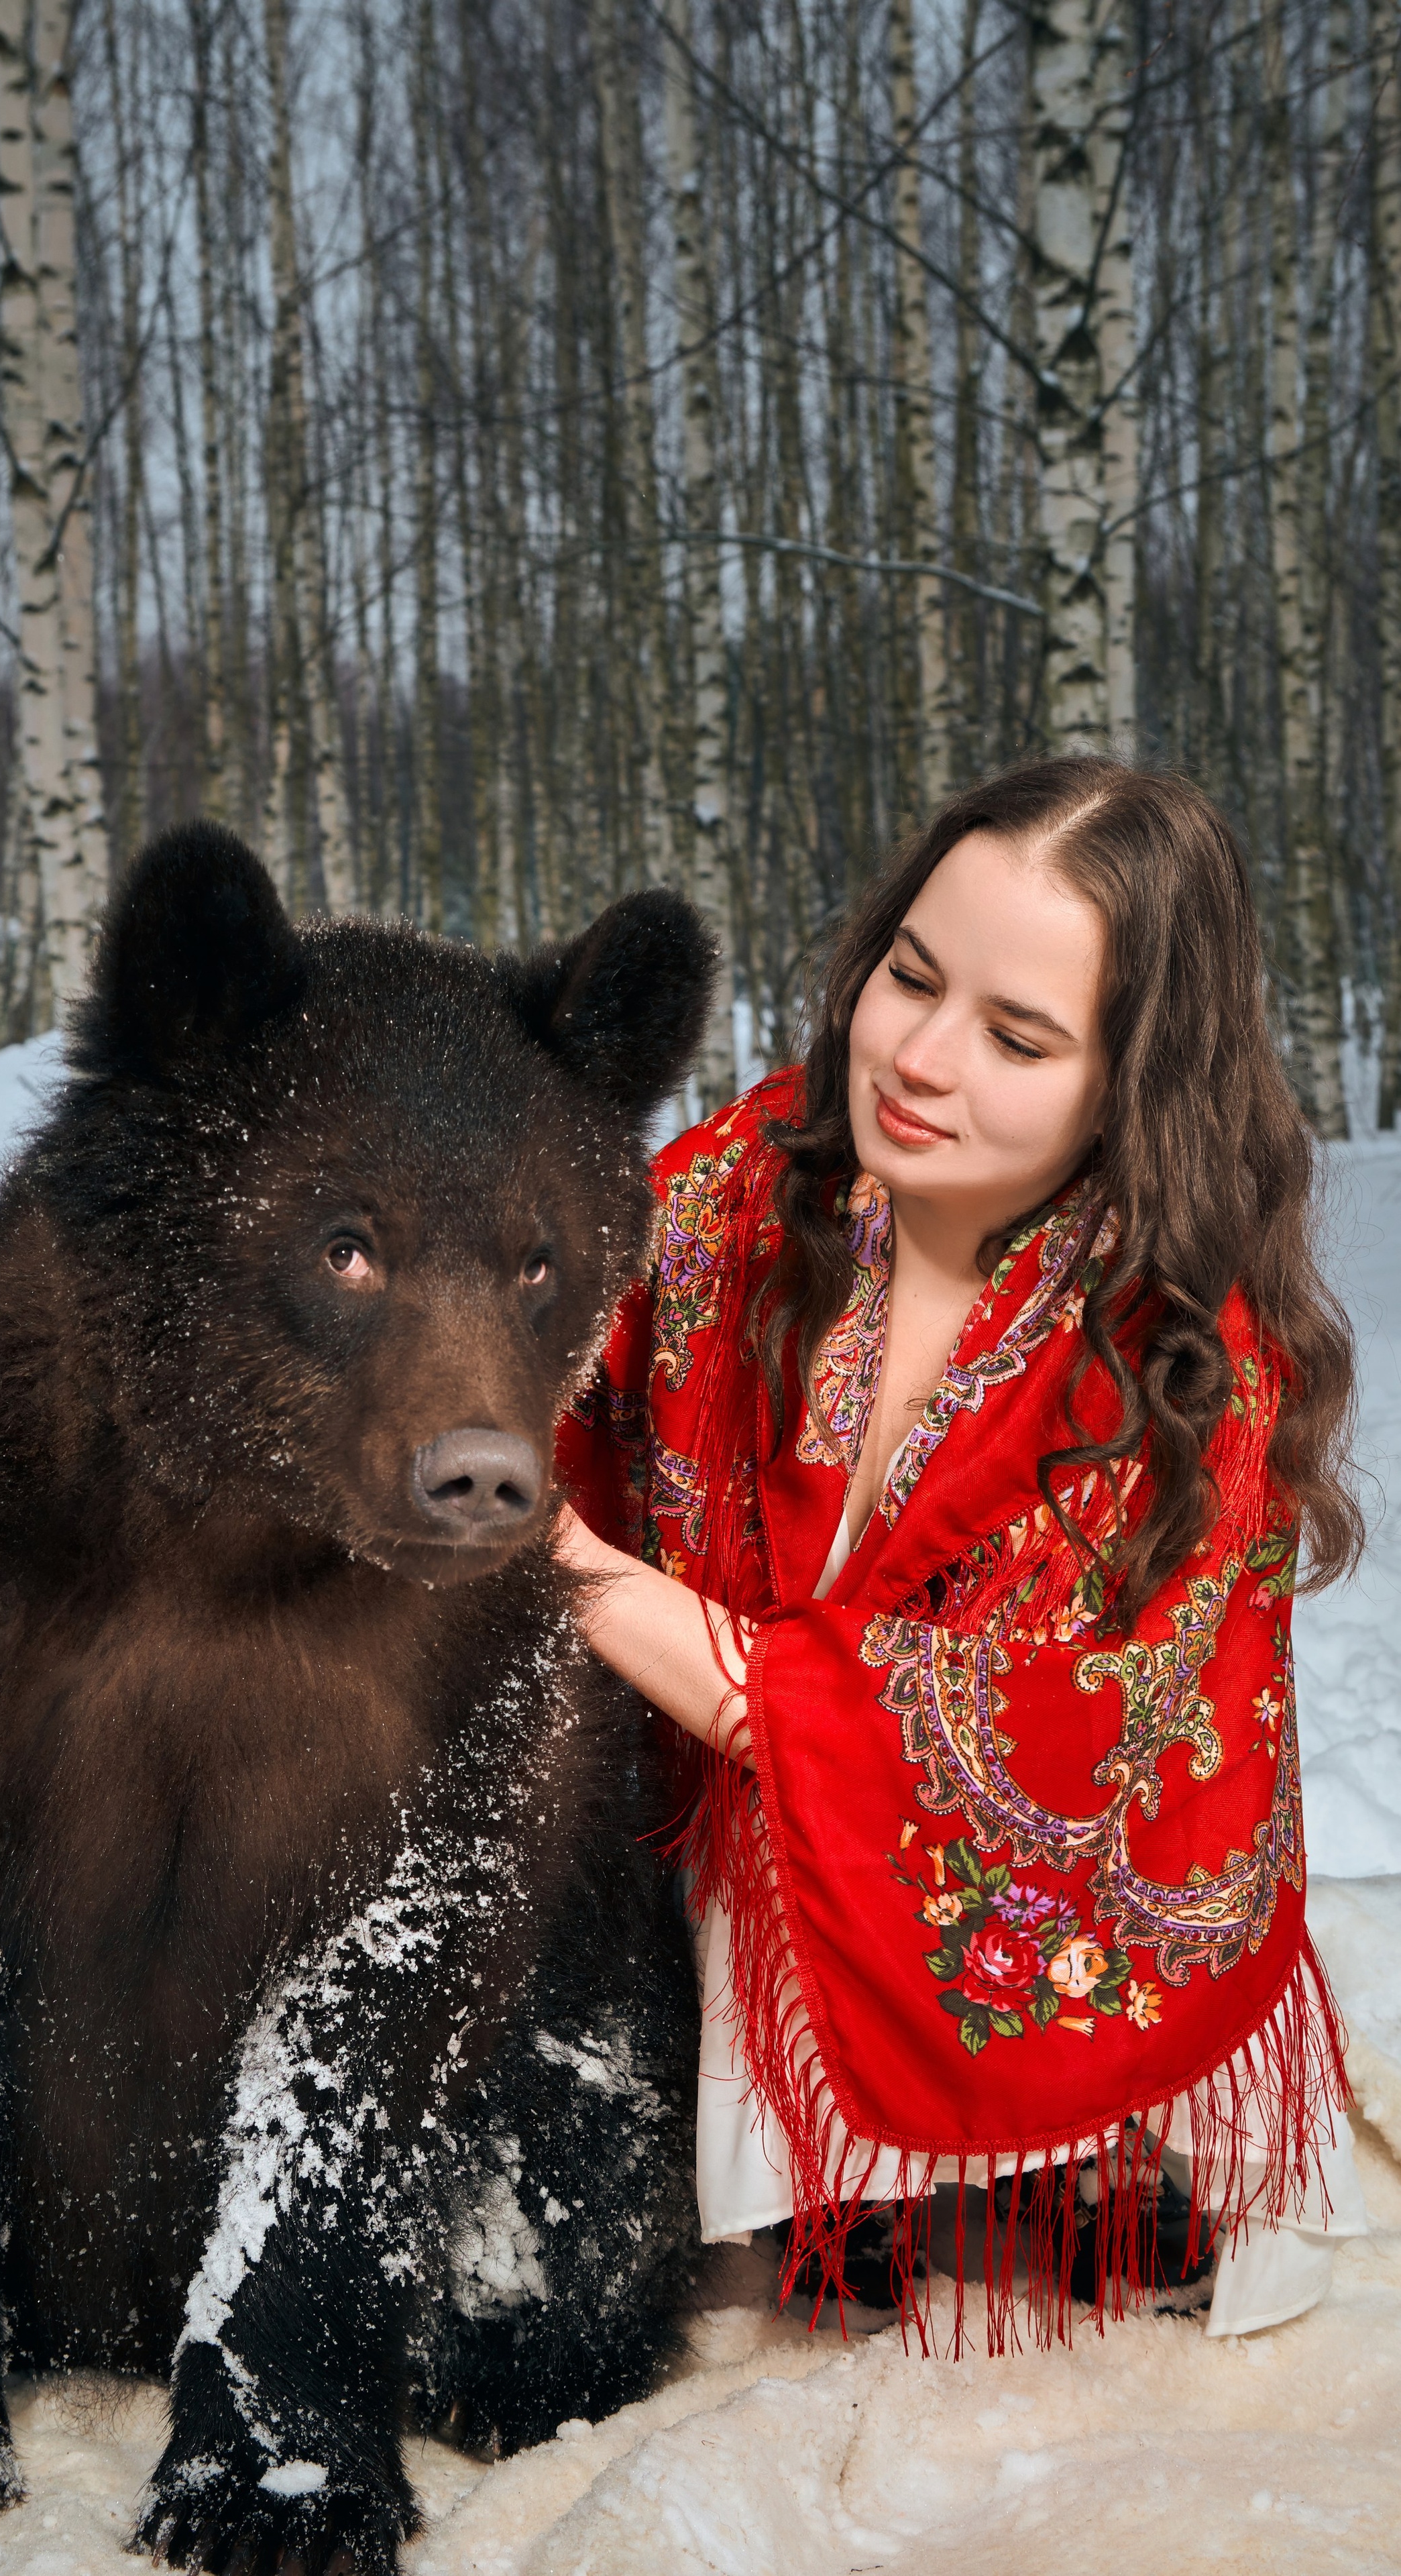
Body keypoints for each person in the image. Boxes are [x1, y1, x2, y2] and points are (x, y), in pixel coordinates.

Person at [554, 758, 1368, 2347]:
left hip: (1034, 1957)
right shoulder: (741, 1180)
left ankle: (995, 2164)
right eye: (910, 978)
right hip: (719, 1872)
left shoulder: (1180, 1369)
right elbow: (541, 1379)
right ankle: (786, 2140)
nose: (918, 1060)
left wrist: (558, 1562)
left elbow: (918, 1748)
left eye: (1016, 1038)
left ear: (1130, 1087)